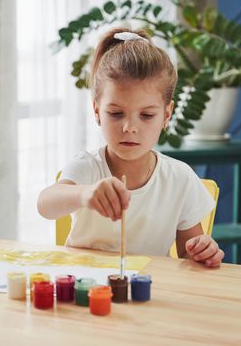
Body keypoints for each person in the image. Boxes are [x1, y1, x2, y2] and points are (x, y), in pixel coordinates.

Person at [37, 28, 224, 268]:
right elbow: (45, 204)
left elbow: (190, 255)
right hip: (87, 293)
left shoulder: (180, 179)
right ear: (97, 111)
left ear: (166, 114)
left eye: (146, 115)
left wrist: (203, 252)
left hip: (149, 293)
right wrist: (84, 193)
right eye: (116, 113)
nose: (129, 127)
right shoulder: (88, 167)